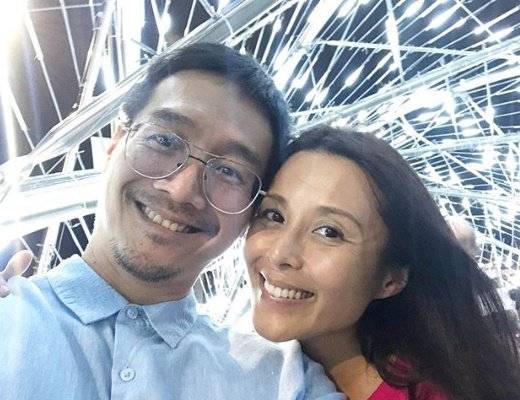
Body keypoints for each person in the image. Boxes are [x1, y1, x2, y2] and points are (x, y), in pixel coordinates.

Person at [0, 44, 341, 400]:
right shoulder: (10, 317)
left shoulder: (285, 381)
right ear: (115, 143)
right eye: (163, 141)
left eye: (229, 171)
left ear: (253, 210)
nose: (181, 191)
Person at [244, 125, 520, 400]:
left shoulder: (435, 390)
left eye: (329, 232)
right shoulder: (246, 367)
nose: (280, 254)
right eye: (274, 215)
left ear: (390, 279)